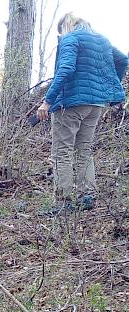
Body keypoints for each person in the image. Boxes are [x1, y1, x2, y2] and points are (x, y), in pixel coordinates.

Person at [36, 13, 127, 215]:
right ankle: (88, 196)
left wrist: (47, 101)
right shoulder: (102, 40)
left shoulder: (71, 38)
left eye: (60, 32)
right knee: (84, 149)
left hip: (70, 103)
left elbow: (66, 69)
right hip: (96, 105)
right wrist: (108, 88)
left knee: (62, 151)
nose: (61, 36)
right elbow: (123, 60)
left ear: (66, 26)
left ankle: (64, 202)